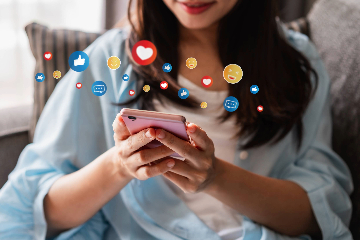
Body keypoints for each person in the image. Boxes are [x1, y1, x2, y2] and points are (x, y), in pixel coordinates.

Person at [0, 0, 353, 239]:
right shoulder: (110, 60)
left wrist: (214, 177)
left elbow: (318, 212)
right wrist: (120, 167)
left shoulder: (294, 61)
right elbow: (35, 211)